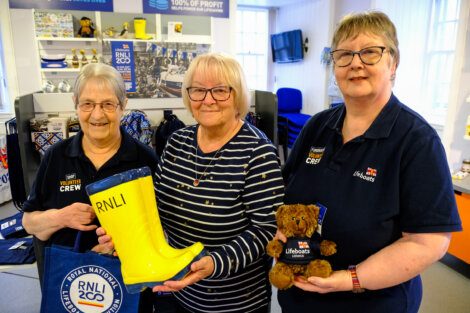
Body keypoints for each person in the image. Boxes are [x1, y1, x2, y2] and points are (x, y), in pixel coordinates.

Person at [277, 11, 462, 313]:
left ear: (394, 63)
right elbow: (285, 196)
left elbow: (428, 243)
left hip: (371, 303)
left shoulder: (417, 141)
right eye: (344, 54)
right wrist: (281, 233)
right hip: (300, 297)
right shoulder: (317, 126)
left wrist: (348, 279)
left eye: (370, 52)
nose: (356, 63)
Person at [97, 52, 285, 312]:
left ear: (238, 95)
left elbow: (266, 230)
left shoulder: (257, 151)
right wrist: (125, 235)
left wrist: (214, 262)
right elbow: (155, 210)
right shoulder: (177, 142)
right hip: (176, 290)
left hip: (234, 302)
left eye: (220, 90)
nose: (208, 100)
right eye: (198, 90)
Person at [22, 63, 159, 311]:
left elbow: (160, 232)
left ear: (123, 105)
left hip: (127, 288)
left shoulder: (145, 160)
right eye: (88, 104)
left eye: (108, 104)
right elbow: (30, 223)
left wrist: (124, 244)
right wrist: (62, 217)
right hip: (70, 289)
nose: (97, 115)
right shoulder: (56, 157)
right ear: (75, 104)